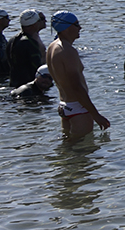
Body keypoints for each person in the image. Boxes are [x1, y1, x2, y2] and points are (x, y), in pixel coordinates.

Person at [46, 11, 111, 139]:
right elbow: (76, 86)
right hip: (77, 108)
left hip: (64, 106)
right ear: (66, 27)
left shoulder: (51, 47)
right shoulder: (67, 51)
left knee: (69, 146)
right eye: (76, 24)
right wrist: (96, 115)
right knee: (85, 149)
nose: (80, 27)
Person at [6, 9, 47, 88]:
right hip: (28, 85)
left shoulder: (13, 39)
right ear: (34, 24)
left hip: (14, 82)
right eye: (39, 21)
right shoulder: (30, 43)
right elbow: (36, 67)